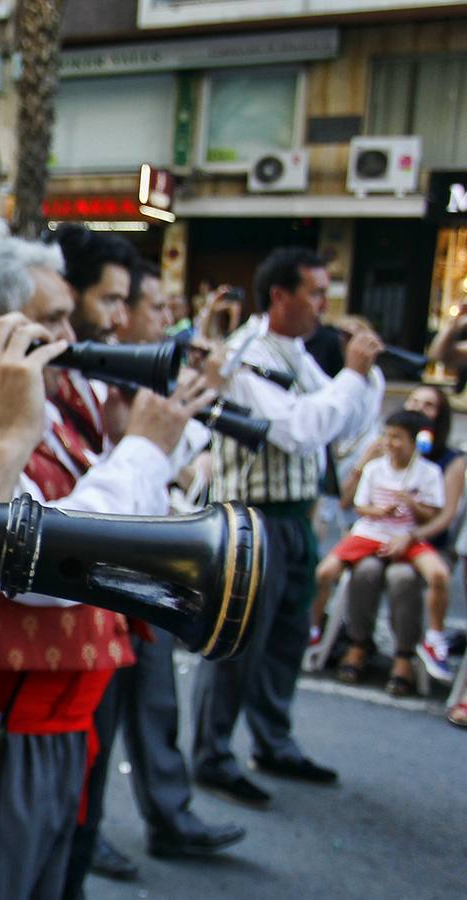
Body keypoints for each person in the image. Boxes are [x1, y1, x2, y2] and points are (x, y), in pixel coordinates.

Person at [0, 236, 204, 900]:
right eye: (54, 321)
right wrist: (145, 450)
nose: (76, 337)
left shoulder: (47, 413)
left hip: (56, 725)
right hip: (0, 734)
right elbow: (52, 567)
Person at [64, 257, 244, 897]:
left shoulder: (127, 375)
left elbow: (157, 455)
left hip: (141, 569)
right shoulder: (90, 375)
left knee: (149, 698)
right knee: (92, 719)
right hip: (98, 578)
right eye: (148, 307)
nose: (163, 321)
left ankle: (160, 814)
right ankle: (87, 829)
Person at [193, 247, 385, 809]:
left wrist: (362, 377)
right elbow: (301, 429)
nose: (325, 306)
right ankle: (213, 754)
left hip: (297, 516)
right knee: (239, 640)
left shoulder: (298, 353)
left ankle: (273, 740)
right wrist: (352, 372)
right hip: (253, 519)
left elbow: (346, 420)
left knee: (286, 637)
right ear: (280, 296)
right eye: (316, 293)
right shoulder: (246, 354)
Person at [315, 410, 448, 695]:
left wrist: (412, 507)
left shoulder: (429, 472)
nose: (390, 442)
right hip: (370, 535)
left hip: (407, 539)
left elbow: (435, 514)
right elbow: (354, 505)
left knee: (416, 576)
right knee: (351, 571)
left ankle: (418, 649)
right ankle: (340, 639)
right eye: (388, 435)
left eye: (397, 438)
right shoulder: (375, 468)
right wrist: (379, 508)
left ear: (416, 441)